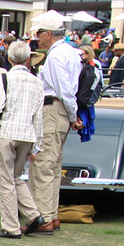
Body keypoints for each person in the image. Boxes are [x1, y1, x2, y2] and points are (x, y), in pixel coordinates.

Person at [30, 13, 82, 233]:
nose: (37, 37)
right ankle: (51, 214)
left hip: (53, 108)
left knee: (42, 164)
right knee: (53, 164)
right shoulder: (71, 53)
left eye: (39, 33)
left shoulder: (56, 56)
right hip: (60, 109)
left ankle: (43, 217)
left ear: (49, 34)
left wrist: (72, 115)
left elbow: (65, 89)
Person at [0, 40, 47, 239]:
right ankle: (33, 215)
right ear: (28, 59)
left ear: (10, 58)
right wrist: (36, 146)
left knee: (5, 180)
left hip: (7, 131)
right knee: (16, 177)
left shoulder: (5, 78)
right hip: (27, 134)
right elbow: (38, 117)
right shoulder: (37, 82)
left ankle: (11, 227)